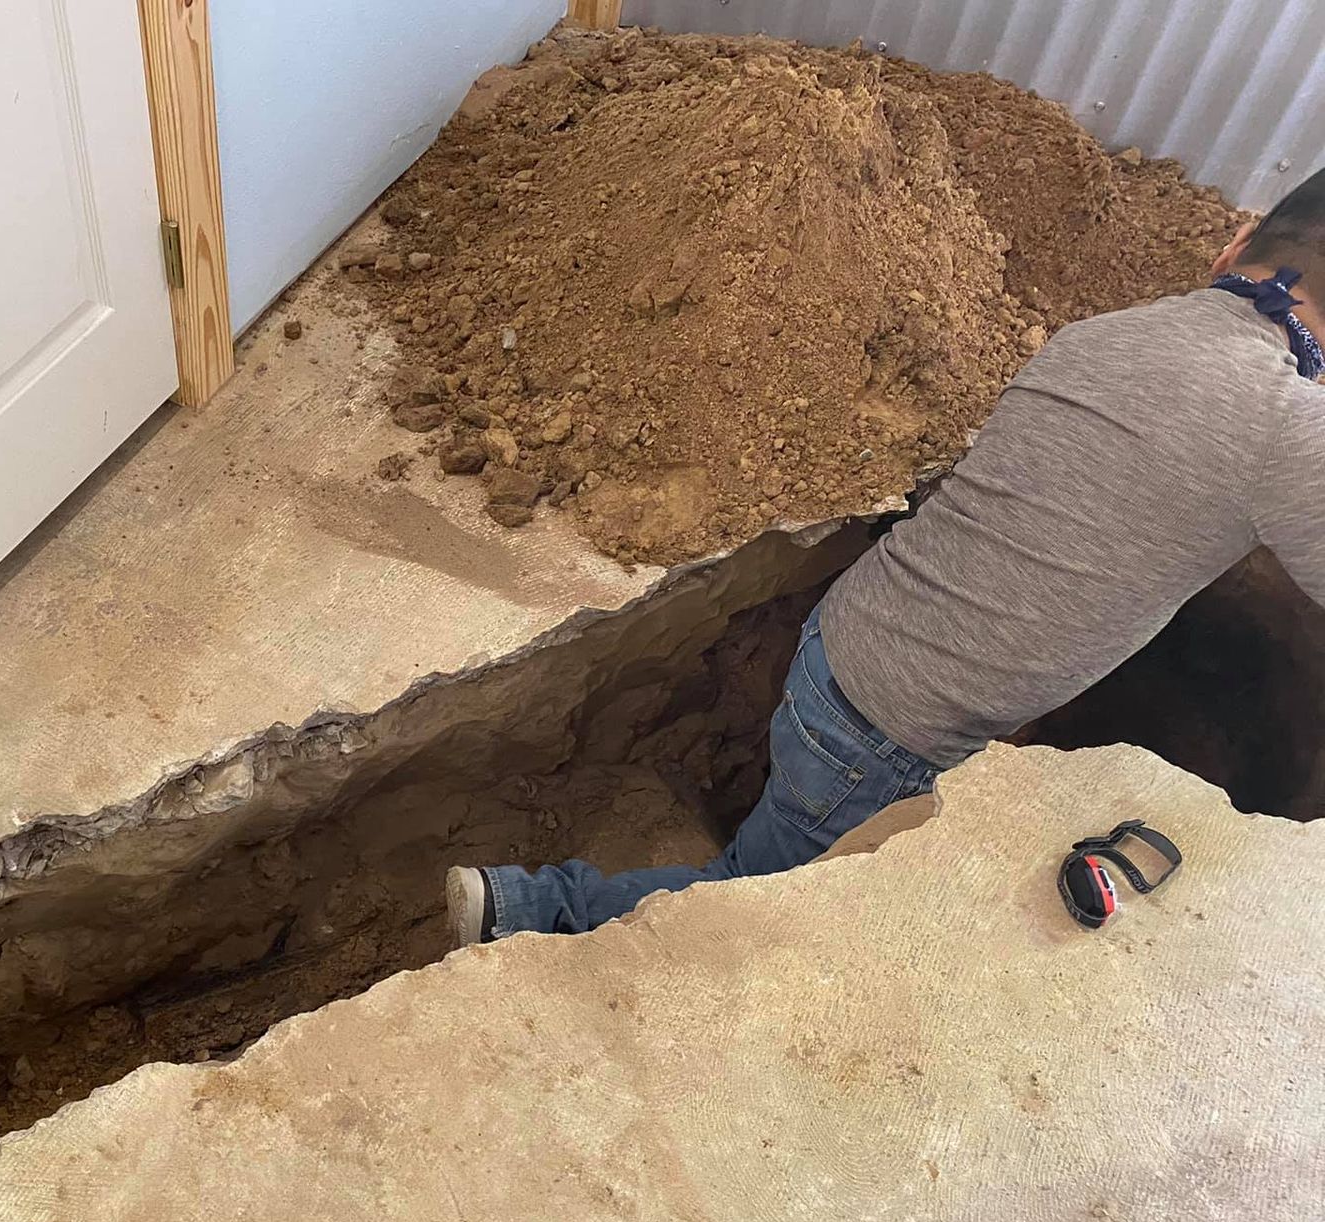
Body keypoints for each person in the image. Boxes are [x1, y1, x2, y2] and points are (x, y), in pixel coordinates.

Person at [446, 164, 1325, 946]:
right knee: (756, 910)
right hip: (888, 734)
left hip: (848, 641)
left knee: (785, 848)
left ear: (1235, 241)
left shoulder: (1114, 332)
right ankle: (528, 911)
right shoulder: (1289, 427)